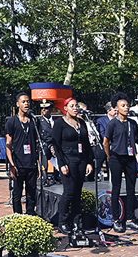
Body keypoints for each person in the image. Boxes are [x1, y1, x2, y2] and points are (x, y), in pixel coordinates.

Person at [103, 92, 138, 233]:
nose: (126, 108)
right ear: (116, 108)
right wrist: (109, 156)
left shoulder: (132, 123)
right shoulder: (112, 123)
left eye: (127, 105)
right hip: (116, 157)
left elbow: (136, 140)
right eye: (123, 105)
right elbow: (106, 141)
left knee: (131, 188)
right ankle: (116, 219)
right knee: (116, 188)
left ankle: (131, 218)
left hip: (130, 157)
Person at [51, 97, 93, 234]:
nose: (75, 108)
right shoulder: (60, 123)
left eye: (76, 106)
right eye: (72, 106)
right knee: (69, 192)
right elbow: (56, 145)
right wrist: (62, 163)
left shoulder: (81, 123)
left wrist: (89, 162)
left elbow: (86, 144)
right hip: (68, 160)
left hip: (80, 159)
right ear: (65, 108)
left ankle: (76, 221)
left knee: (77, 193)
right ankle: (62, 221)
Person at [5, 93, 39, 215]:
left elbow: (37, 142)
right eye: (23, 101)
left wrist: (39, 163)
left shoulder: (34, 121)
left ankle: (30, 216)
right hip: (18, 163)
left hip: (31, 163)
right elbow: (8, 144)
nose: (26, 104)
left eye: (28, 101)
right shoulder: (12, 122)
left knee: (31, 193)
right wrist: (12, 165)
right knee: (17, 193)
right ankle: (18, 217)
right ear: (18, 104)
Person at [36, 100, 57, 186]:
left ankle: (56, 177)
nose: (43, 110)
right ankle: (44, 177)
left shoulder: (56, 120)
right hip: (45, 144)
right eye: (42, 108)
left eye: (46, 108)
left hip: (56, 144)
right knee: (44, 161)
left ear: (51, 109)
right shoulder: (39, 121)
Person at [95, 102, 117, 180]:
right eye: (114, 110)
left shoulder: (119, 120)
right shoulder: (101, 120)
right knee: (100, 154)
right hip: (105, 143)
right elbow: (103, 134)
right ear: (108, 111)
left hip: (118, 144)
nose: (116, 112)